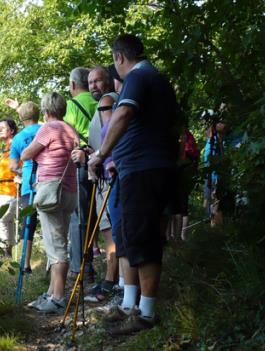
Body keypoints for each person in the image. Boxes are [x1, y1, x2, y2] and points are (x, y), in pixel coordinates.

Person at [88, 34, 179, 334]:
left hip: (144, 169)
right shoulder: (157, 80)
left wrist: (101, 154)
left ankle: (147, 314)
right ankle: (130, 305)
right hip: (139, 169)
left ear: (119, 57)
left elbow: (124, 113)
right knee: (130, 236)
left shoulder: (139, 77)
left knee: (144, 237)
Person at [22, 92, 79, 313]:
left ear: (46, 111)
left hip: (51, 191)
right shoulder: (69, 129)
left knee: (57, 249)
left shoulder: (49, 128)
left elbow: (28, 154)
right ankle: (50, 293)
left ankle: (57, 298)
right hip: (69, 191)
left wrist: (30, 154)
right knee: (59, 242)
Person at [72, 65, 119, 302]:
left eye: (98, 81)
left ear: (109, 81)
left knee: (111, 232)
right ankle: (116, 281)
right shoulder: (105, 104)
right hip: (104, 171)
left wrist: (95, 157)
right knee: (110, 229)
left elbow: (113, 135)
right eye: (90, 82)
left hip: (108, 174)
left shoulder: (108, 102)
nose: (93, 86)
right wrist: (91, 151)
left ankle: (111, 283)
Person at [64, 67, 98, 283]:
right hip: (101, 160)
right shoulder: (100, 101)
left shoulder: (71, 105)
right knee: (96, 215)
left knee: (79, 217)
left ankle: (81, 269)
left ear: (73, 85)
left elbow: (67, 138)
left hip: (81, 164)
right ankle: (91, 261)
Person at [7, 100, 41, 273]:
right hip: (49, 180)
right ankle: (55, 262)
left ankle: (25, 264)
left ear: (21, 117)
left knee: (28, 224)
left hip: (29, 185)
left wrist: (23, 172)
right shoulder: (45, 129)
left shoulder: (18, 139)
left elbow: (12, 166)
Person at [0, 118, 19, 256]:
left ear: (12, 130)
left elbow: (19, 165)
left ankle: (2, 254)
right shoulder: (6, 150)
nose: (0, 129)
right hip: (3, 192)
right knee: (6, 222)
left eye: (3, 127)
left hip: (10, 190)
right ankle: (7, 254)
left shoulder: (15, 145)